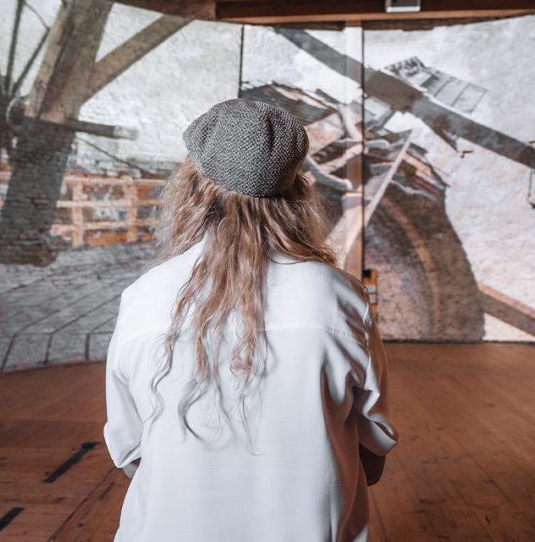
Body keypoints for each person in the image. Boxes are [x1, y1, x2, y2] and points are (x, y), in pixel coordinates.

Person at [104, 99, 397, 542]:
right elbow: (373, 452)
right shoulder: (339, 297)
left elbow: (130, 450)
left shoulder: (144, 296)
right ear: (296, 193)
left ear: (191, 188)